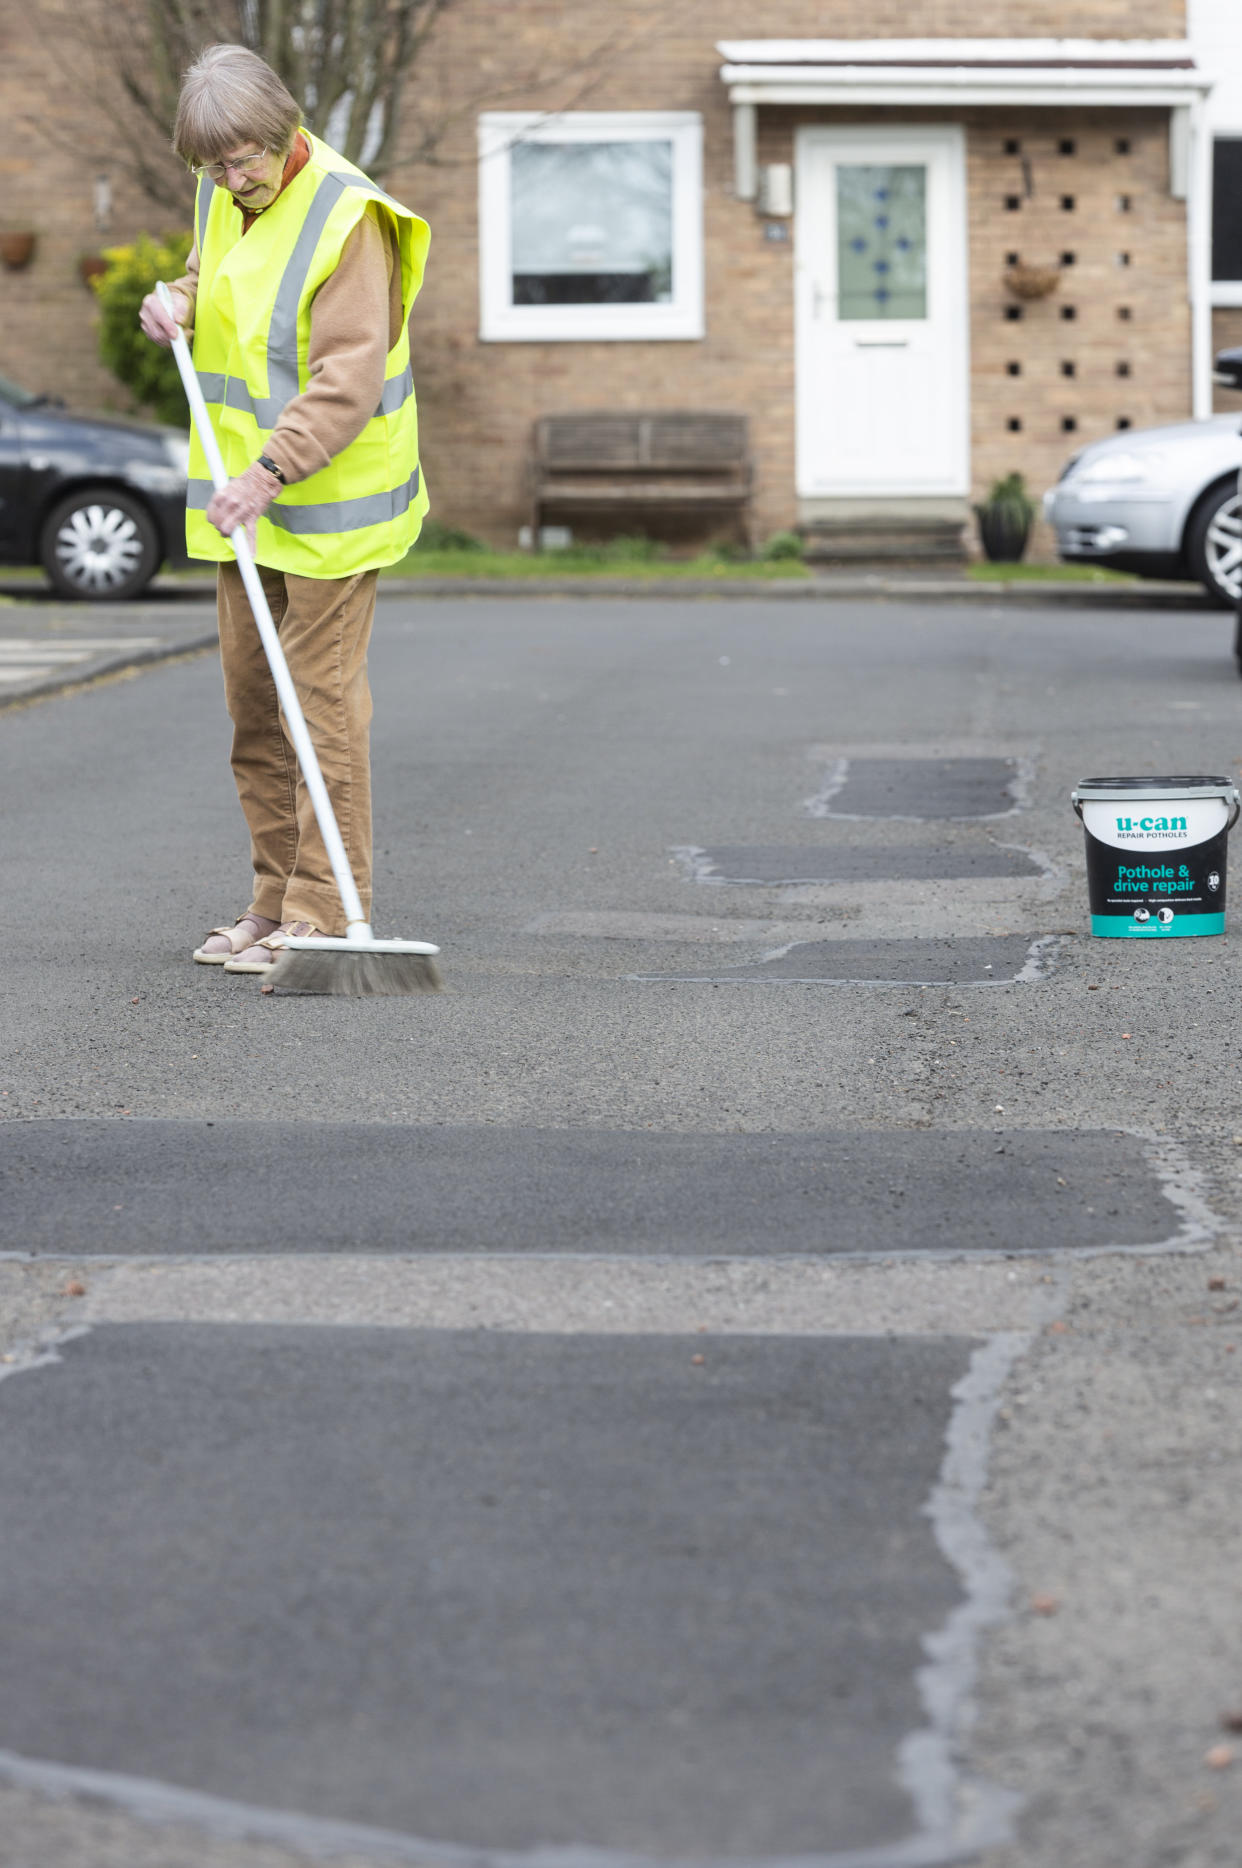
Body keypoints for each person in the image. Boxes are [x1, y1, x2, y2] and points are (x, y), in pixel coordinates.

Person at [139, 43, 430, 974]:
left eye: (246, 160)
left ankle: (327, 911)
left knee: (323, 713)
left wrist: (266, 473)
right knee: (256, 714)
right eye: (212, 166)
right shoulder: (219, 196)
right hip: (247, 509)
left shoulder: (350, 220)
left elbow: (347, 381)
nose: (232, 180)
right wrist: (176, 302)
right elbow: (217, 286)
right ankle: (272, 902)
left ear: (284, 128)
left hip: (331, 507)